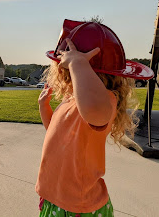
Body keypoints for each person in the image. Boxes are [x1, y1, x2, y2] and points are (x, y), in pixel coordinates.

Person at [36, 19, 154, 217]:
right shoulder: (71, 99)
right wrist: (44, 107)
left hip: (77, 207)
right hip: (56, 197)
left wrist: (78, 63)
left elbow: (95, 111)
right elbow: (57, 135)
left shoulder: (104, 101)